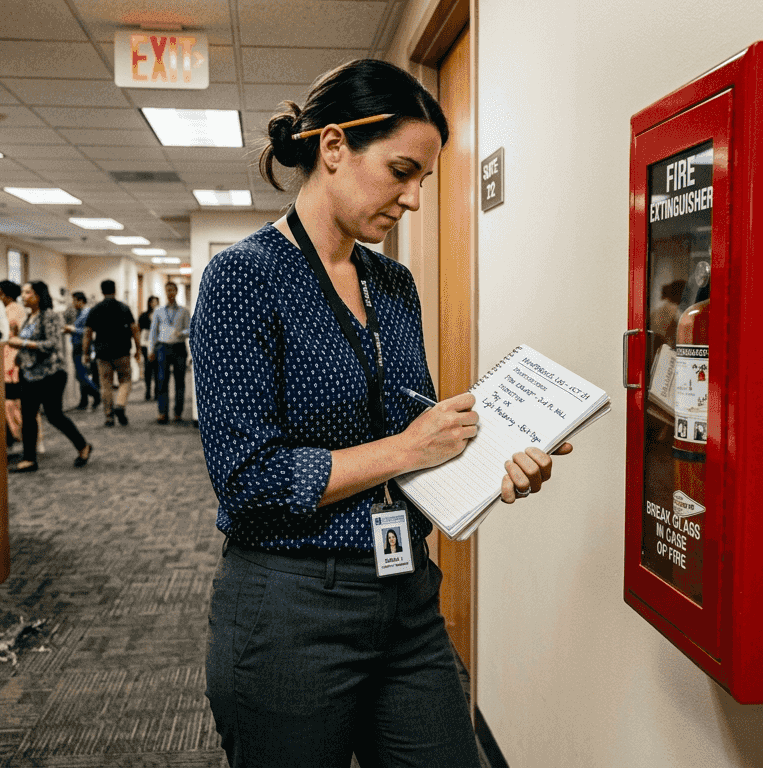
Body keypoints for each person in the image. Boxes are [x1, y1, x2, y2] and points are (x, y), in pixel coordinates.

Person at [190, 59, 571, 768]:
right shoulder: (244, 277)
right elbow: (248, 480)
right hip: (291, 606)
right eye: (401, 171)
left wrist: (498, 461)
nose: (415, 199)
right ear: (333, 146)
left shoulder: (392, 283)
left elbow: (413, 431)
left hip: (405, 595)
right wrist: (405, 449)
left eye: (424, 179)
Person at [5, 280, 92, 472]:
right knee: (28, 417)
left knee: (54, 416)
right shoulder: (30, 318)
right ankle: (29, 459)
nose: (23, 296)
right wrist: (19, 356)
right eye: (23, 292)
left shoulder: (50, 316)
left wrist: (23, 345)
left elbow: (52, 344)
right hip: (29, 374)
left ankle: (83, 446)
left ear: (38, 295)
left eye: (28, 292)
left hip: (51, 373)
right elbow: (26, 342)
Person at [82, 279, 140, 427]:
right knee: (125, 380)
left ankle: (109, 416)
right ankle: (120, 405)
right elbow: (134, 329)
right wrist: (138, 349)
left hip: (102, 353)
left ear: (102, 291)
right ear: (115, 290)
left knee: (105, 384)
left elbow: (87, 333)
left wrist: (85, 353)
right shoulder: (124, 308)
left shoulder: (95, 309)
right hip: (122, 351)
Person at [147, 282, 191, 424]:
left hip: (179, 348)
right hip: (163, 348)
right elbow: (153, 331)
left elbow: (191, 329)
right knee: (162, 381)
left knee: (180, 381)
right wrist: (150, 349)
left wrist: (182, 333)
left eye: (172, 290)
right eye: (167, 290)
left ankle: (178, 413)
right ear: (165, 292)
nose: (170, 293)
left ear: (176, 291)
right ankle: (162, 412)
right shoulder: (159, 311)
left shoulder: (184, 311)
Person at [0, 279, 26, 447]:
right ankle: (13, 436)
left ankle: (18, 434)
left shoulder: (12, 311)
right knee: (11, 401)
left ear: (5, 295)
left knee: (11, 401)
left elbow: (13, 334)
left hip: (12, 361)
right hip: (10, 360)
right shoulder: (14, 309)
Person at [62, 291, 100, 411]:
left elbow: (88, 331)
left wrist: (73, 329)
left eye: (74, 301)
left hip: (84, 346)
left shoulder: (87, 313)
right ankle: (83, 401)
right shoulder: (77, 313)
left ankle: (96, 394)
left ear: (80, 300)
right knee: (80, 374)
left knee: (81, 374)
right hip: (76, 344)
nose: (73, 303)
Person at [138, 296, 159, 401]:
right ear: (149, 303)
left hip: (157, 344)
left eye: (156, 302)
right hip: (145, 343)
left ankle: (156, 391)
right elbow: (140, 329)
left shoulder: (161, 314)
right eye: (152, 302)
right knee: (148, 368)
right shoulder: (144, 315)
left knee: (157, 369)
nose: (154, 304)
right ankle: (148, 390)